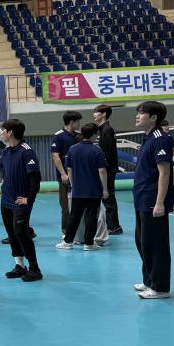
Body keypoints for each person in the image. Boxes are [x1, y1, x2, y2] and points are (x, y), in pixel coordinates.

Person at [132, 101, 174, 300]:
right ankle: (149, 280)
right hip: (141, 199)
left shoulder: (160, 139)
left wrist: (159, 203)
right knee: (143, 242)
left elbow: (164, 173)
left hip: (152, 200)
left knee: (156, 245)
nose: (137, 116)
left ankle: (160, 288)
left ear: (153, 117)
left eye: (142, 113)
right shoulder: (147, 138)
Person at [0, 119, 42, 282]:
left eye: (3, 130)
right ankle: (20, 265)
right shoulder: (6, 151)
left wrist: (29, 199)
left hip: (20, 201)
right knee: (11, 233)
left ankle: (35, 269)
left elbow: (35, 178)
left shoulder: (26, 151)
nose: (1, 133)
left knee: (21, 232)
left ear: (10, 132)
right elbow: (3, 168)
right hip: (6, 200)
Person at [55, 123, 108, 251]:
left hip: (77, 191)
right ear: (94, 135)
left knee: (74, 216)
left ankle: (67, 242)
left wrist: (73, 186)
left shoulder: (72, 149)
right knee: (91, 217)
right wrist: (105, 189)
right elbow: (102, 171)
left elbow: (69, 169)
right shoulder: (97, 150)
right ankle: (89, 244)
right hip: (93, 191)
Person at [51, 111, 82, 236]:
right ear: (71, 122)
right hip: (65, 178)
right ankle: (66, 231)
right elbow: (55, 156)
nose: (80, 124)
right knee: (65, 206)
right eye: (78, 121)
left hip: (80, 177)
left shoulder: (79, 135)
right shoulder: (58, 136)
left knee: (79, 204)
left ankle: (81, 230)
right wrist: (63, 174)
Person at [93, 104, 123, 233]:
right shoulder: (101, 130)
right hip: (103, 169)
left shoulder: (107, 130)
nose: (94, 114)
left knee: (108, 196)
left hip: (107, 170)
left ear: (104, 114)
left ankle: (114, 226)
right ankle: (110, 225)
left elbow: (105, 153)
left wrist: (100, 168)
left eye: (96, 112)